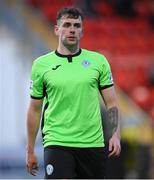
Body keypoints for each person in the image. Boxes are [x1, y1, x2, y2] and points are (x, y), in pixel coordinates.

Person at [26, 7, 121, 179]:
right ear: (57, 29)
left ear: (82, 31)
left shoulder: (98, 62)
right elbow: (34, 109)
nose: (72, 29)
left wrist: (115, 135)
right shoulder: (41, 65)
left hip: (93, 144)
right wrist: (30, 149)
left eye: (77, 26)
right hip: (57, 142)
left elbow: (112, 103)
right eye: (67, 24)